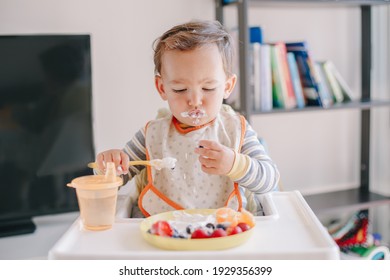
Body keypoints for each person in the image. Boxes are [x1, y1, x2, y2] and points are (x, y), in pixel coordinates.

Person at [94, 20, 280, 217]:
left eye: (208, 88)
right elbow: (110, 182)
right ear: (162, 88)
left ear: (227, 86)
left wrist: (235, 165)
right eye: (180, 89)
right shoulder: (152, 134)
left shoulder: (236, 129)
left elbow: (270, 181)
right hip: (161, 231)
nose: (195, 101)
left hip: (224, 230)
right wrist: (109, 167)